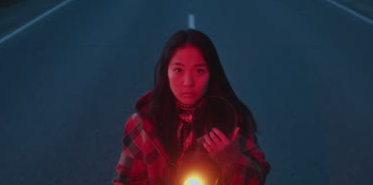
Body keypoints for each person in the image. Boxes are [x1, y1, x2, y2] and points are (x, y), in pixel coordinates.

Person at [112, 29, 270, 185]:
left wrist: (231, 161)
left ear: (211, 73)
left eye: (199, 70)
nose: (188, 82)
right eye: (178, 70)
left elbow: (258, 179)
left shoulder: (231, 119)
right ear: (166, 73)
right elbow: (126, 180)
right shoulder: (142, 124)